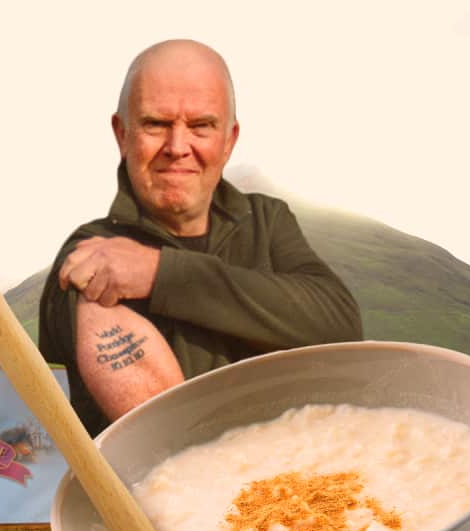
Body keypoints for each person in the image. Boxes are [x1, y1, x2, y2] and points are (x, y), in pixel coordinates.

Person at [39, 39, 362, 437]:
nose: (177, 148)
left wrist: (161, 275)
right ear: (122, 135)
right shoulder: (92, 257)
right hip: (156, 498)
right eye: (155, 124)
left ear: (229, 140)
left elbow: (339, 324)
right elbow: (162, 431)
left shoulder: (265, 220)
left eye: (201, 126)